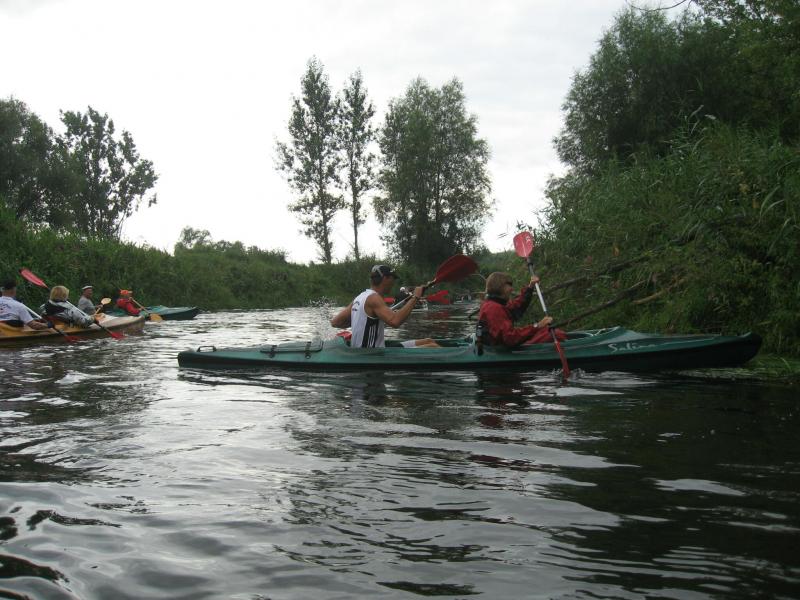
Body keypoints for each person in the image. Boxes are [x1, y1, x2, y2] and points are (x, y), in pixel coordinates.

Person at [330, 265, 439, 348]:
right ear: (385, 278)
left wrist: (360, 321)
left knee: (429, 341)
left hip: (372, 350)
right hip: (371, 355)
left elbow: (335, 322)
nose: (393, 282)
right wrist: (415, 297)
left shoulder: (360, 297)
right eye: (393, 278)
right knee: (433, 347)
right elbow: (395, 321)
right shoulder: (374, 299)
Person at [477, 272, 566, 348]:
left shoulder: (497, 303)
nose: (511, 289)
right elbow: (510, 338)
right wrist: (537, 326)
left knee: (550, 332)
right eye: (509, 285)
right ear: (500, 286)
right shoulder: (493, 308)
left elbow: (517, 306)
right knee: (555, 335)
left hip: (502, 345)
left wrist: (530, 287)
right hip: (499, 350)